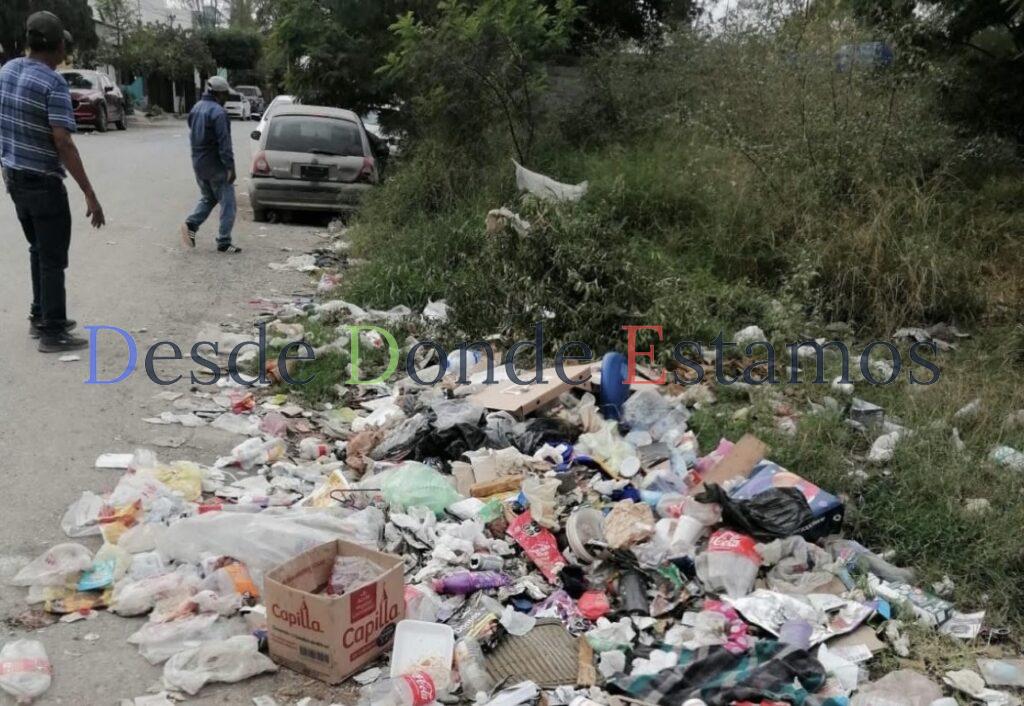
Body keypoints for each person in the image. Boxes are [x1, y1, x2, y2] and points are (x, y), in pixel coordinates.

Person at [0, 11, 105, 353]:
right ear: (59, 46)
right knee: (53, 257)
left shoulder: (7, 71)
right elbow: (63, 142)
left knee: (38, 249)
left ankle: (40, 315)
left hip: (15, 177)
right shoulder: (52, 82)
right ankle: (53, 331)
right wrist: (89, 192)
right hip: (43, 182)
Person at [181, 76, 241, 253]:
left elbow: (192, 132)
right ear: (219, 94)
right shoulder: (218, 113)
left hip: (198, 162)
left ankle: (191, 224)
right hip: (216, 165)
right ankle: (224, 241)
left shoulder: (196, 108)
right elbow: (224, 144)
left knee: (209, 197)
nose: (226, 98)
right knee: (228, 204)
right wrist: (231, 168)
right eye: (225, 95)